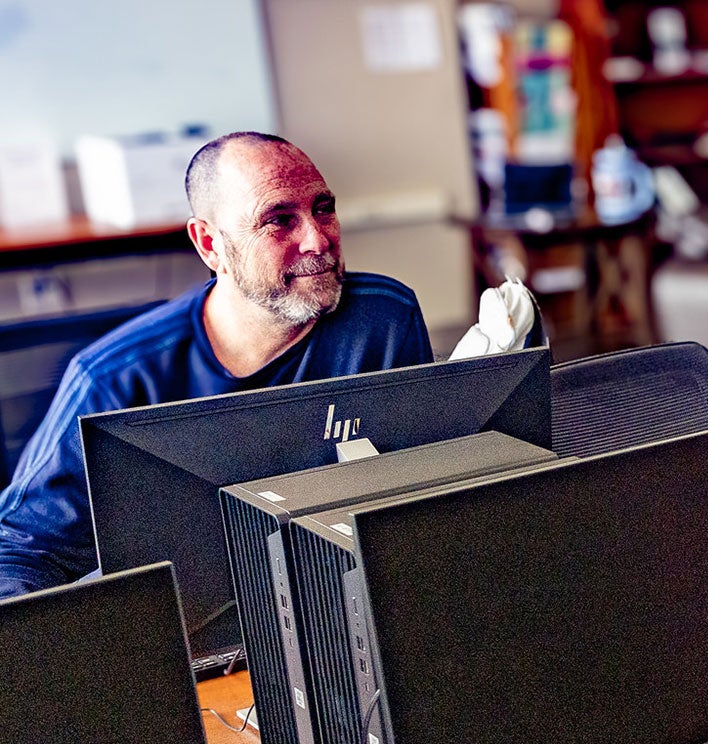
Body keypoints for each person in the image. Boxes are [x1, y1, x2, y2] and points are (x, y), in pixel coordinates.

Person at [0, 132, 431, 599]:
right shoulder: (114, 378)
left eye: (323, 208)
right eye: (279, 220)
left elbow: (426, 489)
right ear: (210, 244)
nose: (318, 239)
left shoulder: (383, 318)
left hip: (346, 602)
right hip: (198, 636)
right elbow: (21, 548)